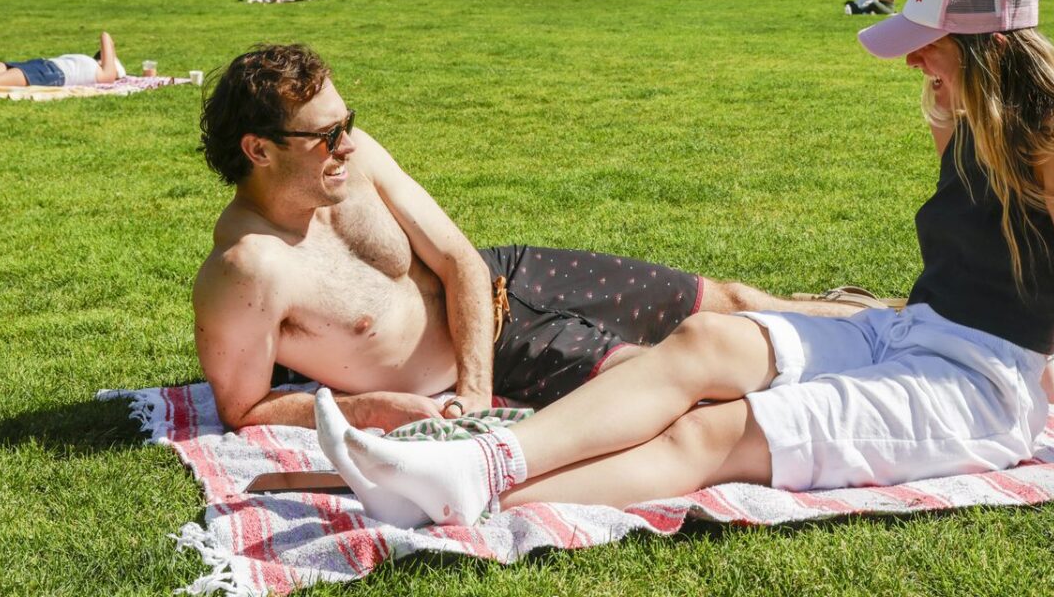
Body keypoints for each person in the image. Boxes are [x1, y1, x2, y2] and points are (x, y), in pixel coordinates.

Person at [314, 0, 1054, 529]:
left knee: (712, 431)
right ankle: (481, 462)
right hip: (909, 334)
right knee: (702, 342)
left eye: (929, 42)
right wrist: (941, 121)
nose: (915, 58)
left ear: (986, 44)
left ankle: (475, 496)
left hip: (982, 389)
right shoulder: (960, 110)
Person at [191, 44, 861, 432]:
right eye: (324, 135)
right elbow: (243, 408)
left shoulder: (355, 157)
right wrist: (370, 409)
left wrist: (475, 392)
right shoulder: (249, 270)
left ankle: (891, 320)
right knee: (697, 379)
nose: (346, 143)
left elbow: (457, 259)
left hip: (503, 277)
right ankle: (867, 378)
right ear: (259, 150)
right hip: (507, 352)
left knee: (735, 300)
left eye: (346, 123)